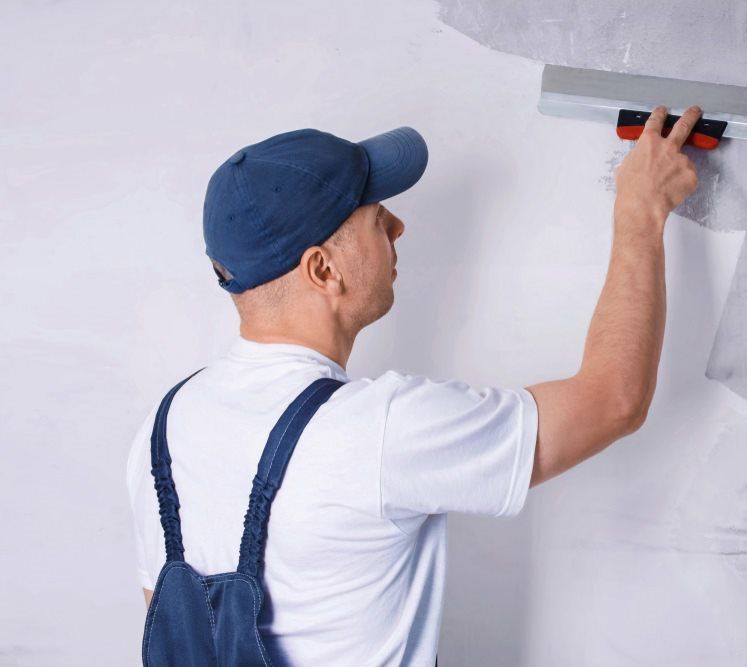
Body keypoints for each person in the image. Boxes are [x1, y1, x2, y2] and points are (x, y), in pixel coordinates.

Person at [125, 105, 701, 666]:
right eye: (374, 216)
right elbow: (613, 401)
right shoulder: (380, 429)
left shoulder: (166, 425)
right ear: (323, 269)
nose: (397, 225)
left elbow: (170, 627)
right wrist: (641, 209)